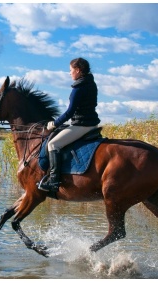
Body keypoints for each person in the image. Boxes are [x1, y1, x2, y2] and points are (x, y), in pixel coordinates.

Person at [38, 57, 101, 193]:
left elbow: (69, 112)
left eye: (71, 70)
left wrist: (54, 124)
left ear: (78, 70)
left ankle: (54, 181)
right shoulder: (91, 83)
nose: (70, 73)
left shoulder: (78, 88)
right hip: (91, 124)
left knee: (53, 144)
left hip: (82, 126)